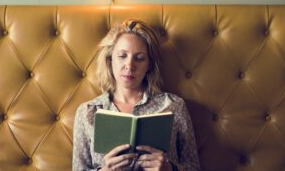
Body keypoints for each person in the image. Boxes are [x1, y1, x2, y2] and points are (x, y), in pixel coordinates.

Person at [73, 19, 200, 170]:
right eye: (122, 56)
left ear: (149, 65)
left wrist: (169, 168)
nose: (130, 65)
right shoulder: (88, 112)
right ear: (110, 59)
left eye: (139, 58)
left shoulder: (174, 106)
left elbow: (194, 167)